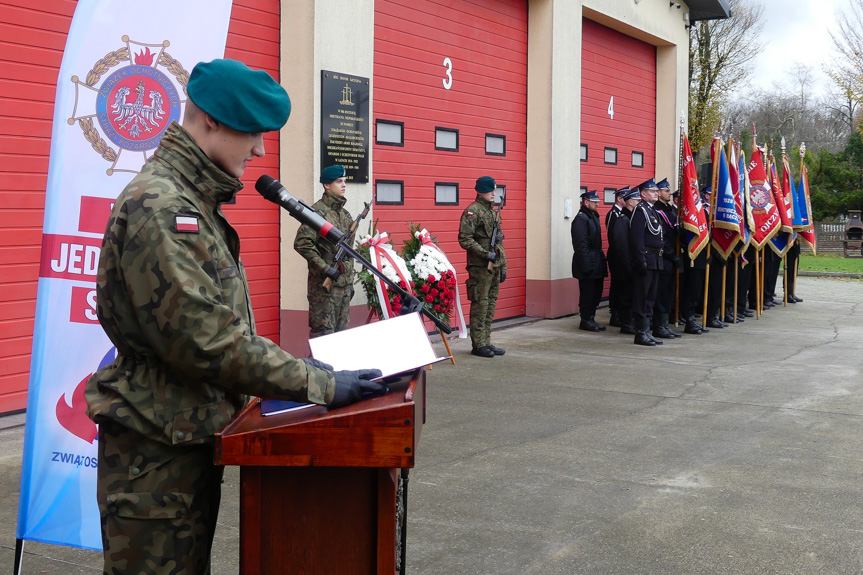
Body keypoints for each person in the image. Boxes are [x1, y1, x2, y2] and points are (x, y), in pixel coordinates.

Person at [84, 59, 384, 574]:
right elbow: (208, 342)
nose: (261, 148)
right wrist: (319, 384)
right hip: (155, 457)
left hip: (180, 439)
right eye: (253, 132)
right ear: (211, 122)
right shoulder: (161, 208)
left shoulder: (191, 203)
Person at [294, 165, 355, 338]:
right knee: (324, 335)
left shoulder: (345, 215)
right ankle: (316, 367)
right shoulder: (317, 214)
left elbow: (349, 253)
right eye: (338, 181)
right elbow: (302, 243)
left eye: (344, 181)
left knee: (342, 335)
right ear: (326, 185)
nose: (343, 185)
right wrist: (325, 268)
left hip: (343, 288)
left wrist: (350, 281)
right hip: (324, 290)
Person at [459, 176, 507, 358]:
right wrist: (486, 254)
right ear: (480, 191)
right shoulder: (473, 211)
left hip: (495, 264)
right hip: (480, 266)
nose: (494, 193)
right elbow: (465, 239)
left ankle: (486, 341)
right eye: (490, 190)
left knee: (491, 304)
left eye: (495, 189)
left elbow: (499, 242)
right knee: (481, 304)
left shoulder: (493, 212)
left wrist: (503, 266)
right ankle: (478, 344)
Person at [629, 179, 664, 346]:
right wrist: (640, 258)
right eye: (652, 191)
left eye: (657, 190)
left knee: (651, 296)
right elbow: (636, 238)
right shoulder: (640, 210)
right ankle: (640, 333)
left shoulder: (652, 211)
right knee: (642, 297)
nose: (656, 193)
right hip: (646, 260)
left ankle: (647, 331)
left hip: (655, 260)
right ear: (643, 194)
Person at [571, 190, 608, 331]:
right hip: (587, 262)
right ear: (586, 202)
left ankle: (591, 318)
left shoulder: (592, 216)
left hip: (596, 260)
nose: (598, 203)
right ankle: (586, 320)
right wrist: (586, 265)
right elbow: (581, 245)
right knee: (588, 293)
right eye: (594, 201)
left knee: (596, 292)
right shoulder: (581, 219)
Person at [607, 188, 641, 335]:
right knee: (625, 294)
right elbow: (620, 246)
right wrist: (628, 266)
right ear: (629, 202)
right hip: (624, 264)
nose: (639, 203)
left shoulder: (633, 217)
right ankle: (626, 323)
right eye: (637, 200)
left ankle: (630, 321)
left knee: (632, 294)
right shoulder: (622, 218)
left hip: (632, 264)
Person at [651, 179, 681, 339]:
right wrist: (671, 253)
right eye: (666, 191)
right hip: (663, 258)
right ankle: (658, 326)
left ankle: (665, 324)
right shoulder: (657, 211)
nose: (669, 193)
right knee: (661, 293)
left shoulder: (670, 210)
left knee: (669, 292)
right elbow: (661, 237)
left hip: (671, 259)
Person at [606, 186, 629, 327]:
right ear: (620, 199)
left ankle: (619, 313)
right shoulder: (613, 214)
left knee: (622, 285)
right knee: (617, 285)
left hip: (621, 255)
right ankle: (615, 314)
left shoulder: (622, 213)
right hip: (616, 255)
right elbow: (613, 237)